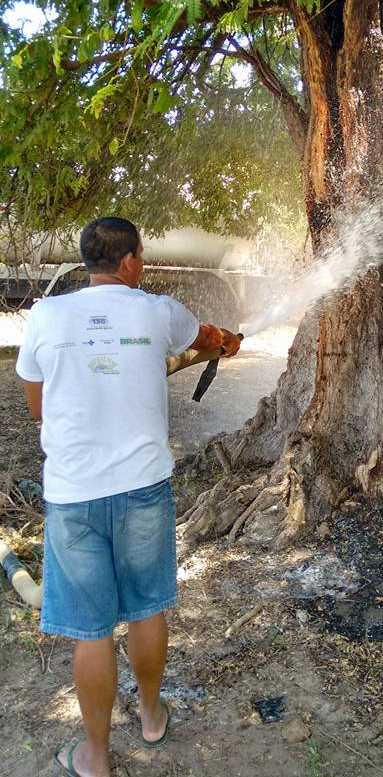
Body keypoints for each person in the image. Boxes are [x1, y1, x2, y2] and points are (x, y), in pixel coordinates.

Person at [16, 216, 241, 777]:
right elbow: (207, 339)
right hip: (143, 488)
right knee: (146, 609)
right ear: (131, 262)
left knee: (91, 631)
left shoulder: (45, 316)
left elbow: (37, 407)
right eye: (141, 256)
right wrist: (225, 341)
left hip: (73, 496)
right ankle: (149, 716)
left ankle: (95, 759)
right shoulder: (159, 311)